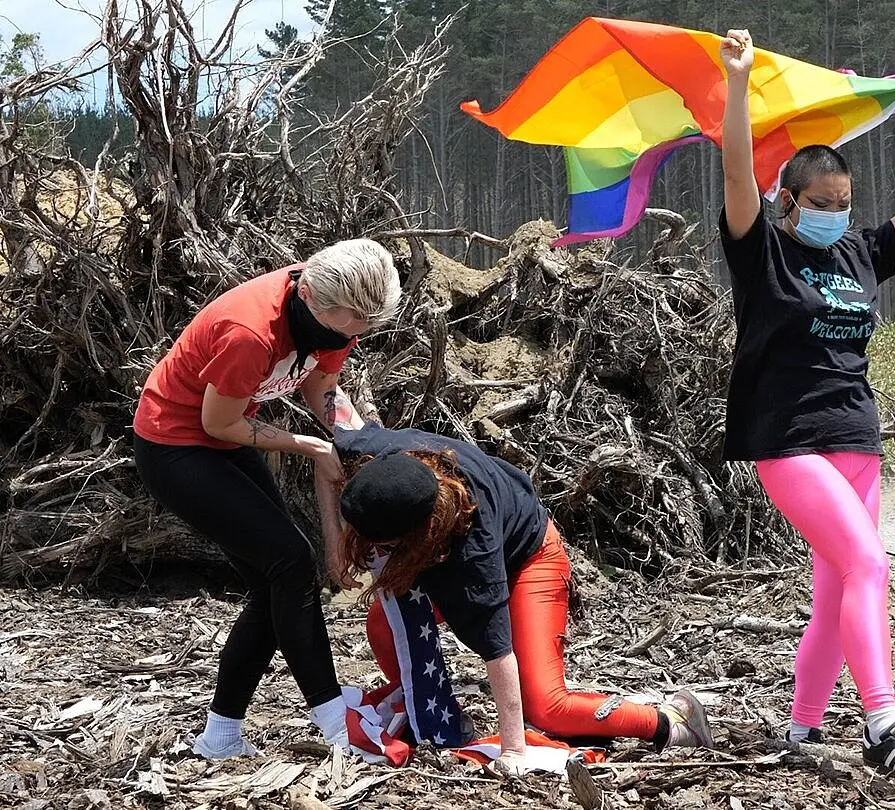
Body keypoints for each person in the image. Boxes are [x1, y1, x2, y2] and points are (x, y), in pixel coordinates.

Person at [715, 29, 895, 782]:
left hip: (856, 437)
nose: (835, 213)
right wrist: (737, 82)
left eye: (845, 203)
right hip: (789, 441)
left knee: (836, 592)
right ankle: (884, 725)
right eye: (821, 203)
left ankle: (801, 729)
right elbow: (734, 171)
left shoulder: (856, 253)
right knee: (869, 565)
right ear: (788, 200)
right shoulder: (764, 249)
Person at [131, 239, 401, 758]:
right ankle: (335, 721)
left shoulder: (337, 315)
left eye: (362, 330)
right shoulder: (250, 333)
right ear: (315, 301)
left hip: (226, 433)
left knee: (273, 583)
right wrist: (309, 446)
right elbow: (218, 421)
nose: (354, 337)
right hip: (175, 443)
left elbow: (323, 385)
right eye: (349, 328)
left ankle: (220, 736)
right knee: (290, 561)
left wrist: (361, 441)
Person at [331, 421, 715, 774]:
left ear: (417, 535)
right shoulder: (381, 452)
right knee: (383, 624)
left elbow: (498, 653)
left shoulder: (471, 558)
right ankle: (438, 709)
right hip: (455, 547)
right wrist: (335, 548)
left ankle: (669, 721)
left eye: (384, 546)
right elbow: (325, 452)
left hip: (531, 559)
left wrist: (514, 751)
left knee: (547, 706)